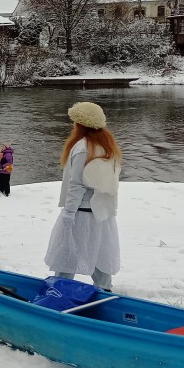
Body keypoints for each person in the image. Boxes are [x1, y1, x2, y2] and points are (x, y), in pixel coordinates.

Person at [43, 102, 122, 291]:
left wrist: (69, 212)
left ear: (81, 124)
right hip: (101, 213)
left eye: (75, 121)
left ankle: (60, 290)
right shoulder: (106, 145)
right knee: (98, 252)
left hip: (81, 211)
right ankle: (104, 289)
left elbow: (76, 184)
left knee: (67, 252)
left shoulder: (82, 148)